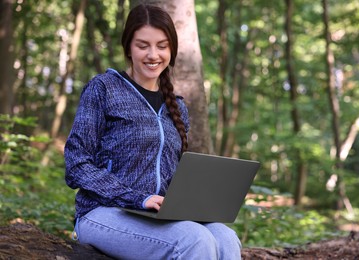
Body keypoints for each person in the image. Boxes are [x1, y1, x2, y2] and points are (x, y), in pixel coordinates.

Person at [64, 4, 242, 260]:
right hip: (102, 213)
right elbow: (76, 165)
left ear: (172, 49)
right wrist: (137, 198)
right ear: (128, 47)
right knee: (194, 240)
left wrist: (194, 202)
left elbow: (174, 176)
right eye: (142, 45)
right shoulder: (103, 89)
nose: (153, 54)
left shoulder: (177, 107)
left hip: (156, 216)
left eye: (162, 45)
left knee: (225, 237)